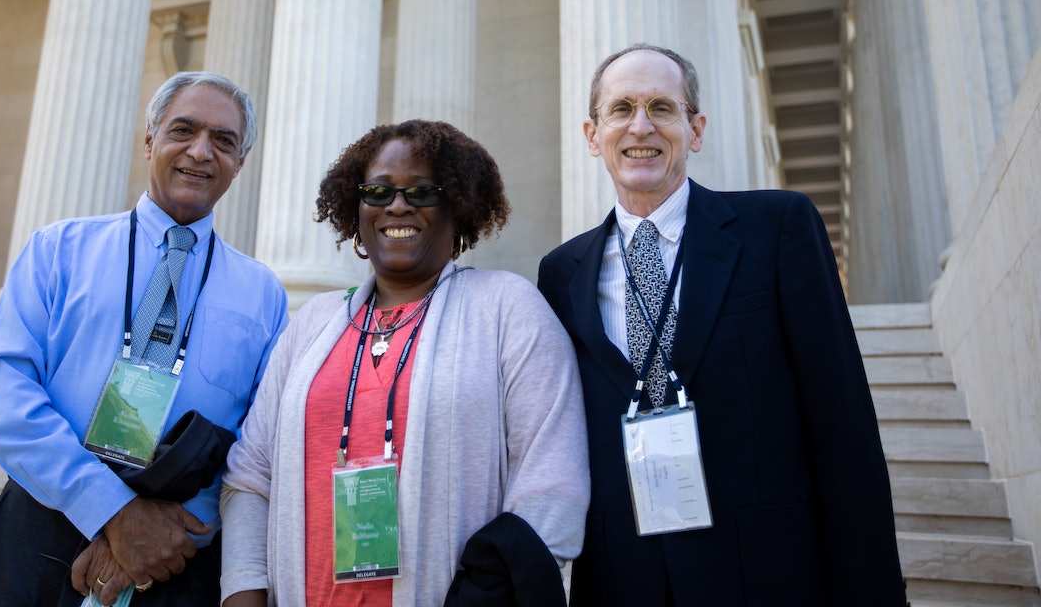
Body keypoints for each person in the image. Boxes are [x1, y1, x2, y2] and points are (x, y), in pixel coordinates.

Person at [537, 43, 907, 606]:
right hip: (622, 579)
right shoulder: (561, 273)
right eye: (621, 109)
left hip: (766, 574)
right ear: (593, 135)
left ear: (696, 129)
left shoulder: (777, 229)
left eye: (662, 107)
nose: (642, 125)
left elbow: (843, 428)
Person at [219, 119, 589, 607]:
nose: (398, 205)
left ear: (458, 208)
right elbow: (250, 477)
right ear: (356, 210)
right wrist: (244, 593)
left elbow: (552, 482)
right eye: (378, 191)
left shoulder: (507, 308)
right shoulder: (312, 324)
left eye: (422, 191)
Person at [0, 72, 288, 607]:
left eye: (224, 141)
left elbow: (259, 439)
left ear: (241, 161)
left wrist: (169, 529)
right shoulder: (58, 250)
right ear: (149, 140)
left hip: (177, 547)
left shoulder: (264, 295)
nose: (200, 152)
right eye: (182, 130)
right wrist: (112, 510)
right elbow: (6, 394)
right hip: (41, 525)